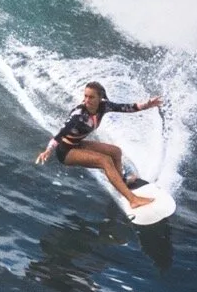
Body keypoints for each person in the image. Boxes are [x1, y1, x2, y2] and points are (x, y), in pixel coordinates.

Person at [36, 81, 162, 210]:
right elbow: (59, 135)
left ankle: (120, 183)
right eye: (85, 96)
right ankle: (133, 200)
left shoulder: (104, 106)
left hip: (78, 144)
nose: (86, 100)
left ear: (100, 97)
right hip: (66, 151)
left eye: (91, 97)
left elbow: (127, 107)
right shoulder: (78, 116)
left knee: (115, 151)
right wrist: (48, 150)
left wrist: (147, 104)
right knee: (105, 160)